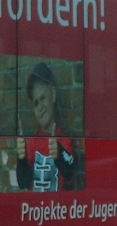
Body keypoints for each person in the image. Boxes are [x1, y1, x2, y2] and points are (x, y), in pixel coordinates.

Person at [14, 62, 80, 191]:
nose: (40, 107)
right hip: (35, 210)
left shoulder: (63, 140)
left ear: (53, 95)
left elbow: (70, 172)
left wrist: (59, 154)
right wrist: (21, 159)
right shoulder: (32, 142)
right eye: (35, 103)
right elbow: (23, 182)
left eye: (43, 98)